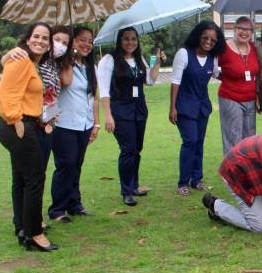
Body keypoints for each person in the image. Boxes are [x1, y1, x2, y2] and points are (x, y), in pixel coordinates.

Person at [0, 23, 58, 251]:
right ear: (28, 38)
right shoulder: (21, 58)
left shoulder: (32, 62)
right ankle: (34, 233)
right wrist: (16, 120)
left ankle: (22, 226)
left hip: (26, 123)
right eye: (36, 36)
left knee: (22, 178)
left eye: (45, 38)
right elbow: (6, 91)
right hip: (18, 124)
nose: (40, 41)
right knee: (35, 178)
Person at [98, 27, 164, 206]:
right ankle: (126, 191)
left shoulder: (139, 58)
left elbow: (149, 81)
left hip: (139, 109)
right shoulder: (109, 60)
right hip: (120, 110)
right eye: (126, 39)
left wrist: (157, 63)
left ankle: (134, 185)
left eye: (134, 39)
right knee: (127, 149)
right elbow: (103, 90)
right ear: (119, 40)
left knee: (137, 149)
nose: (130, 42)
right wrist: (108, 116)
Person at [169, 21, 225, 196]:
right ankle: (183, 182)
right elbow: (175, 81)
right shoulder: (184, 54)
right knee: (190, 141)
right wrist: (172, 107)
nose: (208, 42)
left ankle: (197, 179)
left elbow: (218, 74)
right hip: (184, 106)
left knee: (199, 142)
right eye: (205, 38)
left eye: (213, 40)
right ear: (198, 36)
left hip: (202, 106)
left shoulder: (213, 57)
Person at [50, 26, 100, 222]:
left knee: (77, 164)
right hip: (63, 123)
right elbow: (65, 82)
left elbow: (92, 97)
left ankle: (74, 203)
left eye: (90, 41)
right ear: (72, 42)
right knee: (66, 165)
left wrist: (95, 124)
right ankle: (57, 209)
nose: (87, 44)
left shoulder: (91, 67)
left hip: (83, 124)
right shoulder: (60, 64)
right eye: (82, 40)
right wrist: (68, 60)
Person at [218, 16, 259, 155]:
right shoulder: (224, 48)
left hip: (251, 100)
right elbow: (211, 68)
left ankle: (247, 171)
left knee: (249, 138)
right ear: (234, 29)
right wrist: (223, 77)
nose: (244, 32)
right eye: (241, 28)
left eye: (248, 29)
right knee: (233, 137)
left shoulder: (253, 48)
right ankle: (230, 173)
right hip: (231, 99)